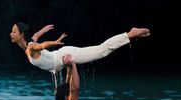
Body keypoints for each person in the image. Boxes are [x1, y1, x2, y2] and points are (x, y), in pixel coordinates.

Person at [10, 23, 150, 73]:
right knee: (102, 50)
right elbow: (35, 36)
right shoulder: (29, 45)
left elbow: (42, 45)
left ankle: (130, 34)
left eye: (14, 32)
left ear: (21, 34)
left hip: (65, 55)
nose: (11, 34)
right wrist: (43, 30)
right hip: (62, 58)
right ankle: (129, 35)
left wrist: (55, 42)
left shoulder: (30, 48)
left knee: (102, 50)